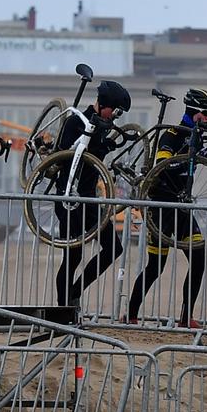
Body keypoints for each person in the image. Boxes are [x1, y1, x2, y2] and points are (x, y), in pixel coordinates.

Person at [124, 88, 207, 328]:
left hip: (182, 206)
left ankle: (185, 318)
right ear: (194, 112)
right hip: (162, 206)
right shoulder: (172, 134)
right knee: (155, 266)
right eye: (206, 114)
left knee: (198, 260)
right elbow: (161, 165)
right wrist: (186, 157)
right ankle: (130, 315)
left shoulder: (196, 135)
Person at [53, 79, 132, 315]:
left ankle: (74, 292)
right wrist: (98, 147)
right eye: (115, 111)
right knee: (72, 255)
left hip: (89, 197)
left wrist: (106, 146)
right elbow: (64, 154)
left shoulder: (104, 125)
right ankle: (63, 310)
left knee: (113, 248)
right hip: (69, 197)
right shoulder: (76, 122)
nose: (116, 116)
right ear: (104, 105)